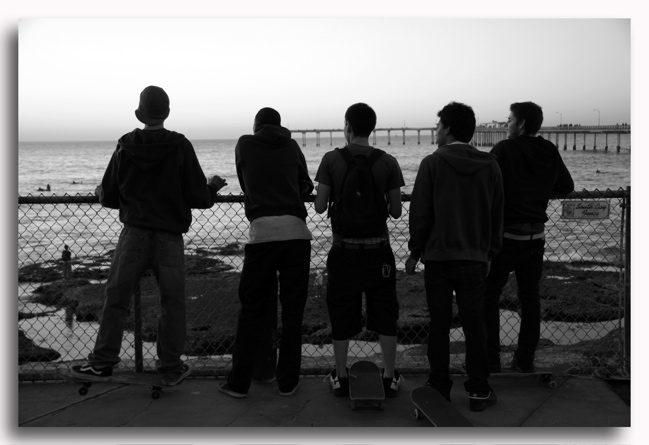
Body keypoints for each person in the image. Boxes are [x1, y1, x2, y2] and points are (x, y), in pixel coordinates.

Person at [71, 85, 227, 386]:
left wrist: (99, 192)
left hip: (134, 234)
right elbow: (198, 196)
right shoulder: (180, 145)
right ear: (167, 113)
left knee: (116, 299)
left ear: (139, 113)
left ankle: (102, 362)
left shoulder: (125, 145)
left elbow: (111, 195)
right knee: (172, 303)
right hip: (169, 237)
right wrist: (213, 186)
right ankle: (169, 366)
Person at [405, 101, 503, 412]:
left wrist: (415, 250)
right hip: (474, 258)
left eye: (437, 126)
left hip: (438, 257)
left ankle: (440, 387)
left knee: (439, 324)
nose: (435, 131)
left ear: (447, 129)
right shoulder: (490, 166)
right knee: (475, 324)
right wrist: (490, 251)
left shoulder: (432, 163)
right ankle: (478, 389)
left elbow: (420, 213)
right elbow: (497, 213)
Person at [217, 107, 313, 399]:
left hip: (262, 237)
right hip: (296, 234)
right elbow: (306, 184)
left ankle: (239, 383)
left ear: (256, 125)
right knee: (293, 311)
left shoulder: (244, 144)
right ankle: (287, 382)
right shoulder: (292, 145)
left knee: (251, 311)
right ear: (280, 125)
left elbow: (246, 184)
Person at [314, 103, 405, 398]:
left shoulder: (331, 159)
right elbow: (395, 212)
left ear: (347, 126)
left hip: (344, 251)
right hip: (378, 251)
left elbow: (318, 206)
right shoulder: (387, 161)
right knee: (385, 311)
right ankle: (389, 376)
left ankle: (341, 376)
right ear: (373, 128)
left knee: (341, 310)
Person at [483, 101, 574, 373]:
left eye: (510, 119)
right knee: (530, 297)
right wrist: (539, 191)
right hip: (536, 237)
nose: (507, 123)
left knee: (489, 294)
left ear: (521, 124)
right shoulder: (548, 150)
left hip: (505, 236)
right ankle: (524, 360)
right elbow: (566, 186)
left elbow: (484, 184)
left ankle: (491, 360)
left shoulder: (505, 149)